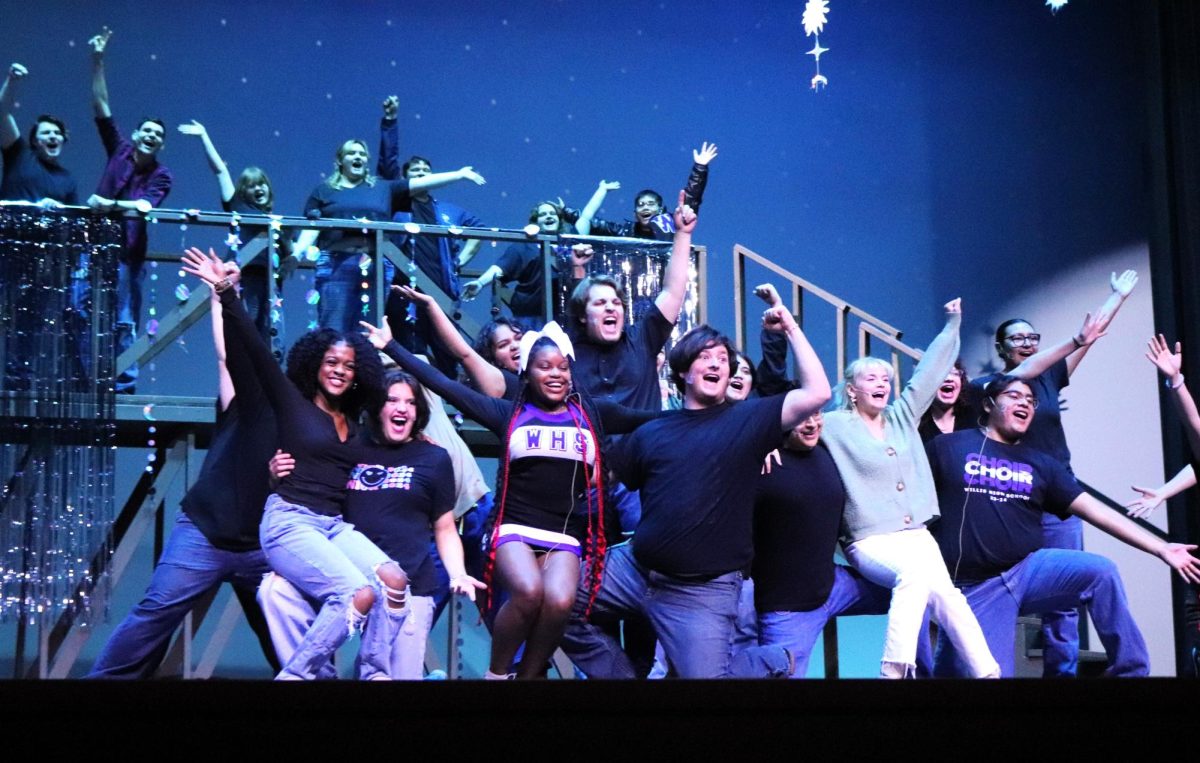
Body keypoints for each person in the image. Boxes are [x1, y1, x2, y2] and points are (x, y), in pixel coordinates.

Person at [366, 316, 656, 680]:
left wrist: (705, 412)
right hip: (515, 526)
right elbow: (445, 385)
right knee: (529, 591)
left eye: (563, 368)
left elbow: (651, 418)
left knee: (562, 601)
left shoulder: (592, 415)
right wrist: (392, 347)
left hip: (564, 535)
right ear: (527, 374)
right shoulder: (511, 414)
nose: (556, 374)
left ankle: (528, 677)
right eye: (544, 367)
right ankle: (498, 674)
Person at [181, 247, 405, 680]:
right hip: (289, 522)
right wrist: (226, 292)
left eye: (348, 366)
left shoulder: (357, 420)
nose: (339, 371)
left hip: (332, 526)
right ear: (315, 365)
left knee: (393, 581)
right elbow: (252, 350)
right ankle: (297, 675)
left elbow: (404, 417)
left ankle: (375, 672)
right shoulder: (293, 403)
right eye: (331, 363)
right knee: (354, 594)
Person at [606, 296, 831, 678]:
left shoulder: (746, 420)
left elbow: (819, 393)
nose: (716, 364)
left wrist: (790, 328)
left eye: (723, 360)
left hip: (701, 593)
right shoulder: (652, 430)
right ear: (683, 373)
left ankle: (771, 660)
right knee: (557, 599)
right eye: (705, 357)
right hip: (634, 572)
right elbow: (606, 478)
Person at [928, 375, 1200, 676]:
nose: (1025, 404)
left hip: (1027, 569)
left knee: (1100, 572)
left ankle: (1131, 673)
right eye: (1014, 396)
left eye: (1031, 401)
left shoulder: (1041, 464)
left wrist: (1160, 547)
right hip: (978, 587)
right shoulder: (948, 447)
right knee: (981, 673)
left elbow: (1097, 512)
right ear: (989, 404)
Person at [88, 270, 278, 678]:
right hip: (204, 534)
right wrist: (220, 297)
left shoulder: (302, 421)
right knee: (154, 613)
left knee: (287, 631)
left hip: (260, 547)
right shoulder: (242, 404)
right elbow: (229, 357)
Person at [260, 370, 485, 679]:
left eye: (410, 402)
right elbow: (311, 492)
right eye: (392, 400)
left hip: (409, 586)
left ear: (418, 412)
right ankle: (310, 676)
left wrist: (458, 573)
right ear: (378, 406)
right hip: (349, 580)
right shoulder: (351, 445)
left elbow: (445, 527)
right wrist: (276, 476)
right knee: (274, 590)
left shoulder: (433, 457)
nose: (402, 408)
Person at [969, 271, 1135, 677]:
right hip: (1010, 499)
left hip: (1057, 498)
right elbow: (1074, 341)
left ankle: (1061, 679)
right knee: (1000, 589)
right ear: (1000, 348)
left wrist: (1117, 297)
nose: (1026, 344)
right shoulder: (991, 387)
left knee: (1065, 595)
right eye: (1017, 339)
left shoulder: (1048, 378)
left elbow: (1090, 335)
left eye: (1032, 338)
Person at [823, 298, 999, 679]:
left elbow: (930, 372)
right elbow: (792, 427)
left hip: (917, 535)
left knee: (950, 599)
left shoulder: (902, 416)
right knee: (914, 576)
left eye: (886, 379)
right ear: (852, 390)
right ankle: (894, 671)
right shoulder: (833, 425)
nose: (882, 384)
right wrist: (772, 446)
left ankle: (989, 675)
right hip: (870, 539)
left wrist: (952, 324)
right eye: (871, 378)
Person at [754, 412, 934, 677]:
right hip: (787, 608)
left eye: (816, 414)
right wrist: (759, 445)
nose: (813, 423)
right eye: (802, 417)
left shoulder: (826, 451)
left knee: (918, 590)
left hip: (833, 585)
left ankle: (918, 680)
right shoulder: (763, 461)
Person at [293, 130, 484, 335]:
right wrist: (297, 254)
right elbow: (312, 227)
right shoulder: (324, 191)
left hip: (375, 265)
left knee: (369, 331)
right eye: (351, 153)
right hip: (337, 263)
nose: (357, 157)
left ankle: (365, 366)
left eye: (362, 154)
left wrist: (459, 174)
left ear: (367, 161)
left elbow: (421, 182)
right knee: (334, 327)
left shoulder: (383, 188)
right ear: (340, 161)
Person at [88, 27, 174, 393]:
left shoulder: (162, 175)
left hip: (127, 256)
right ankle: (84, 377)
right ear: (137, 134)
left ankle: (124, 383)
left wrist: (109, 205)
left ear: (161, 143)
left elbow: (143, 207)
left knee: (123, 319)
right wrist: (97, 61)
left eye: (159, 134)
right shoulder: (120, 150)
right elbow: (101, 106)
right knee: (80, 312)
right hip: (89, 247)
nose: (152, 136)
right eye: (147, 130)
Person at [177, 119, 285, 342]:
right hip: (245, 278)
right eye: (252, 185)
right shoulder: (238, 205)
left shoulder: (275, 221)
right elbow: (220, 170)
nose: (258, 188)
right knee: (247, 336)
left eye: (261, 183)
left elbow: (289, 249)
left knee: (272, 340)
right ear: (243, 191)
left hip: (271, 283)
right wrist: (204, 135)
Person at [460, 201, 589, 329]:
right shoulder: (525, 246)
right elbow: (501, 267)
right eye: (543, 214)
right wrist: (480, 282)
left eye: (552, 213)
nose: (549, 216)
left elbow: (586, 218)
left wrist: (602, 189)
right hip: (532, 318)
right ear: (535, 221)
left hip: (565, 317)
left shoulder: (568, 245)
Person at [565, 142, 718, 240]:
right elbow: (592, 223)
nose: (645, 207)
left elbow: (691, 199)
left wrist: (699, 168)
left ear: (660, 209)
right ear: (635, 213)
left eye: (651, 204)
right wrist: (563, 211)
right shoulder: (625, 231)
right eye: (641, 204)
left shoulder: (673, 223)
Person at [0, 62, 77, 204]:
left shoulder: (68, 179)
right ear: (35, 141)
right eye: (46, 132)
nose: (53, 136)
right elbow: (2, 113)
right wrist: (12, 81)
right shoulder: (18, 154)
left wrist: (58, 208)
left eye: (57, 133)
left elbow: (74, 219)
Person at [917, 361, 973, 443]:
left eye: (955, 373)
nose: (949, 379)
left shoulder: (973, 417)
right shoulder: (917, 425)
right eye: (941, 373)